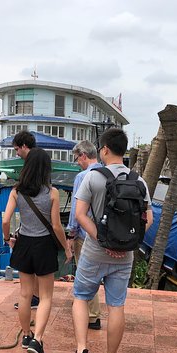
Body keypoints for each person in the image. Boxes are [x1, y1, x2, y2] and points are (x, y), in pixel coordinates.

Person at [63, 128, 153, 353]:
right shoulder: (139, 180)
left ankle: (81, 351)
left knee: (81, 297)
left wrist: (103, 241)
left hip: (94, 251)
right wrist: (125, 244)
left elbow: (80, 215)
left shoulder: (93, 177)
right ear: (123, 150)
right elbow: (148, 219)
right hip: (125, 255)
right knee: (116, 305)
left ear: (104, 150)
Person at [2, 149, 72, 353]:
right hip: (43, 246)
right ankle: (38, 339)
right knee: (46, 296)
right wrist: (67, 249)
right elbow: (57, 226)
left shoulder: (16, 191)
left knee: (24, 294)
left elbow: (6, 220)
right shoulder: (52, 193)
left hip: (23, 244)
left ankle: (26, 335)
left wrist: (8, 240)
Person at [66, 141, 103, 330]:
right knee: (98, 274)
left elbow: (76, 210)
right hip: (103, 233)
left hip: (84, 233)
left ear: (83, 155)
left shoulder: (82, 177)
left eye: (76, 158)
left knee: (85, 274)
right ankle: (93, 314)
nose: (77, 163)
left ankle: (91, 315)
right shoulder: (106, 173)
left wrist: (71, 235)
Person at [11, 130, 41, 311]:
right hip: (42, 231)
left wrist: (8, 237)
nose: (16, 154)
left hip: (30, 231)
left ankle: (32, 299)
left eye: (17, 149)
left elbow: (6, 219)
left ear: (24, 146)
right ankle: (36, 298)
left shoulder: (30, 166)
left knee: (28, 277)